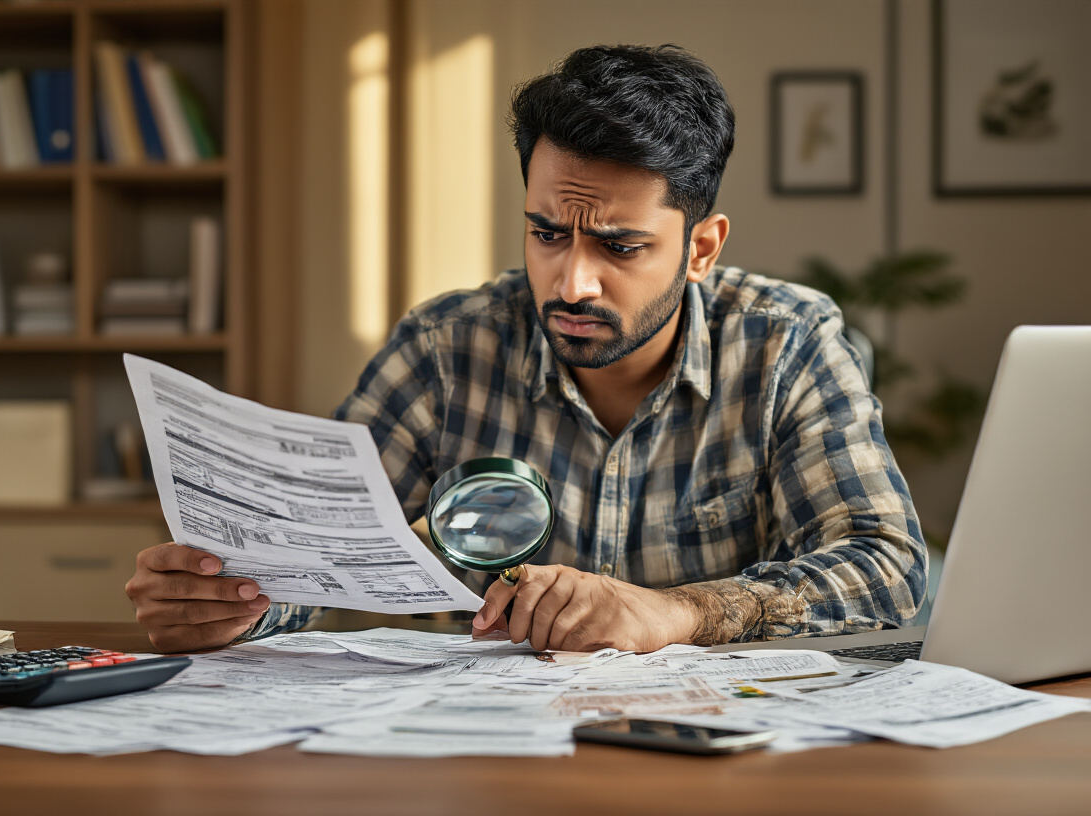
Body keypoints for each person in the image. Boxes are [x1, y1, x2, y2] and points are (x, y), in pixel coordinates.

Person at [126, 44, 927, 655]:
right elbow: (320, 553)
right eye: (547, 233)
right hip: (482, 760)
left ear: (701, 249)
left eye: (619, 246)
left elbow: (887, 570)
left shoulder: (786, 343)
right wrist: (234, 603)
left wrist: (679, 610)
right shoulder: (446, 348)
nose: (572, 281)